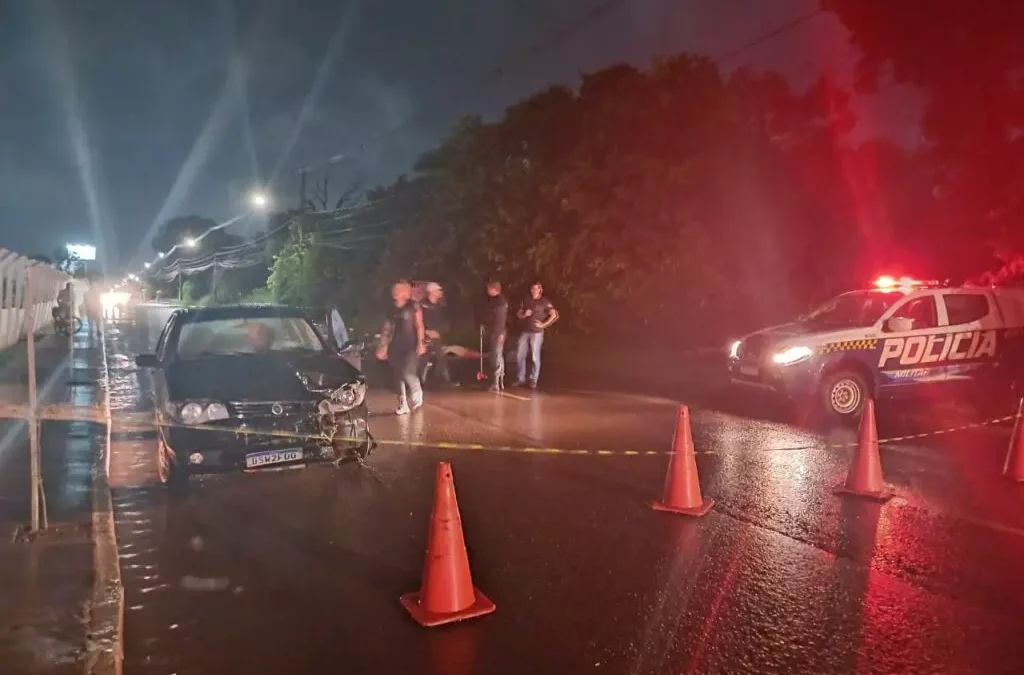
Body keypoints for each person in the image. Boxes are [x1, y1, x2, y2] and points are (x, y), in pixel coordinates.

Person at [376, 280, 426, 415]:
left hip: (411, 345)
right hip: (395, 346)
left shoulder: (413, 306)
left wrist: (421, 343)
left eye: (398, 290)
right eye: (394, 290)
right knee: (398, 375)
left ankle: (416, 390)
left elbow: (419, 325)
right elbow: (387, 330)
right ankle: (403, 403)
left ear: (405, 291)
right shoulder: (391, 309)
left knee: (407, 372)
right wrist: (383, 347)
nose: (395, 292)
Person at [514, 282, 558, 388]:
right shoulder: (526, 300)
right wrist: (524, 315)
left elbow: (554, 315)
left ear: (540, 290)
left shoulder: (544, 302)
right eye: (532, 289)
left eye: (535, 289)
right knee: (520, 355)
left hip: (537, 332)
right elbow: (519, 314)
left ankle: (533, 379)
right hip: (525, 331)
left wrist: (544, 325)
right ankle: (521, 379)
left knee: (535, 356)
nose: (533, 291)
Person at [418, 282, 452, 388]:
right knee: (424, 360)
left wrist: (440, 332)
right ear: (432, 292)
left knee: (441, 358)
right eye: (438, 290)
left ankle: (445, 381)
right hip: (425, 338)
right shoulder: (422, 305)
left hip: (437, 337)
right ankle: (420, 382)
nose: (441, 292)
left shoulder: (440, 306)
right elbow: (419, 322)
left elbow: (444, 322)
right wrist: (426, 332)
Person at [481, 281, 508, 392]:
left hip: (498, 332)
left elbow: (501, 319)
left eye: (489, 288)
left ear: (494, 289)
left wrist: (499, 333)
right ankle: (499, 381)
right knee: (497, 356)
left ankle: (496, 382)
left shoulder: (500, 301)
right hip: (494, 331)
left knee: (496, 356)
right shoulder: (493, 301)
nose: (487, 291)